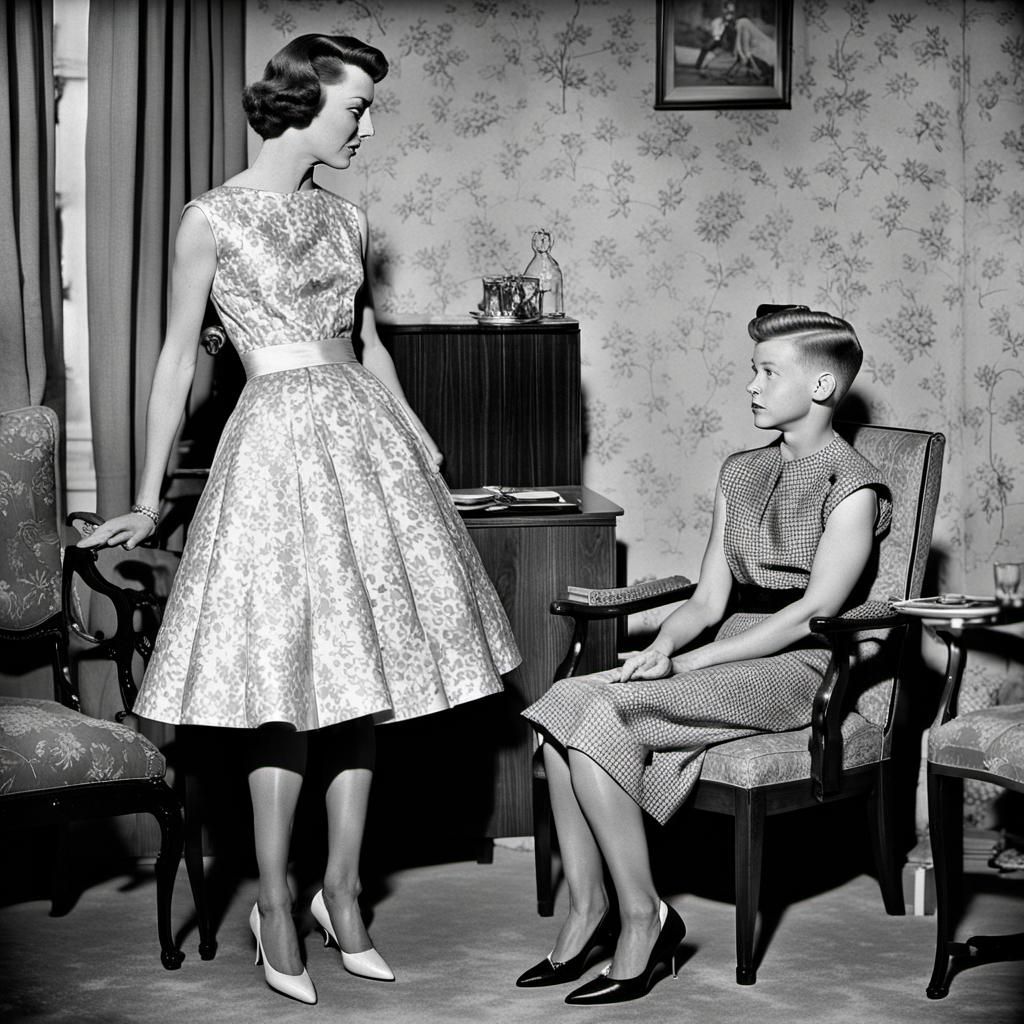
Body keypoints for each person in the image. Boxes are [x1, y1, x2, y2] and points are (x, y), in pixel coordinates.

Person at [78, 34, 520, 1006]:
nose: (367, 123)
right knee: (285, 685)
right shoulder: (212, 219)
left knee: (360, 683)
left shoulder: (348, 218)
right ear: (301, 99)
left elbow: (367, 346)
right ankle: (273, 899)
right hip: (273, 450)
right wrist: (150, 497)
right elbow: (173, 363)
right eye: (355, 104)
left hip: (364, 447)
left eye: (369, 106)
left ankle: (341, 889)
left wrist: (418, 436)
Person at [517, 305, 891, 1005]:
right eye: (753, 370)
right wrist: (661, 649)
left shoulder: (855, 487)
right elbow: (707, 601)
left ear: (819, 387)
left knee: (594, 721)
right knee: (560, 711)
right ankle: (588, 907)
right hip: (729, 649)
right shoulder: (741, 471)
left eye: (767, 372)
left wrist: (692, 665)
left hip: (801, 664)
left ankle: (644, 918)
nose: (750, 385)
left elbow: (813, 613)